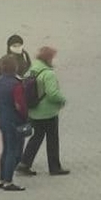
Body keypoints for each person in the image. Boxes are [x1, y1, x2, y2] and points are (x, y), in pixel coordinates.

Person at [18, 45, 69, 177]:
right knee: (52, 139)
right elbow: (52, 93)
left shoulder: (32, 69)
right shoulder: (48, 74)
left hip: (34, 111)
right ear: (49, 58)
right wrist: (62, 100)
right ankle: (54, 167)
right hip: (48, 112)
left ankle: (24, 163)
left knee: (36, 137)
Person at [0, 54, 27, 191]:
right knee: (14, 151)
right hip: (14, 121)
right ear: (15, 67)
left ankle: (2, 179)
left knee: (6, 149)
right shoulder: (16, 84)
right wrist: (26, 117)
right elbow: (20, 106)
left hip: (2, 119)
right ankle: (8, 181)